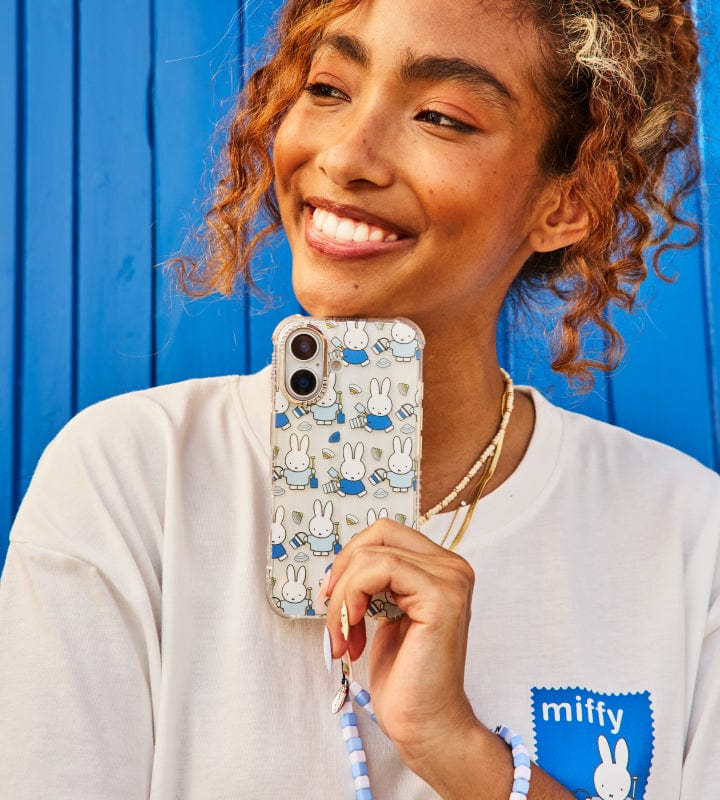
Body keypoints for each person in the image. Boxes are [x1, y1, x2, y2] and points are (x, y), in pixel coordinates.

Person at [1, 0, 717, 798]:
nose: (346, 156)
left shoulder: (691, 540)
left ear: (570, 201)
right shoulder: (130, 480)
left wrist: (455, 747)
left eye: (440, 116)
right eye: (329, 89)